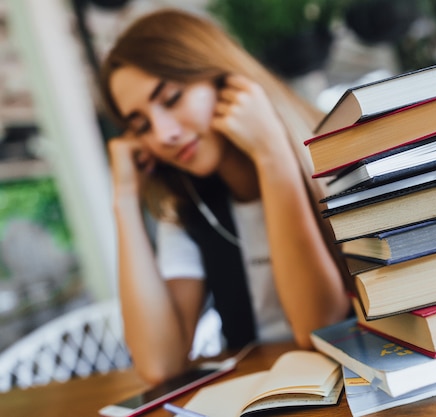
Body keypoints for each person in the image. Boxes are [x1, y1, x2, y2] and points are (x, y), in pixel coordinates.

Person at [99, 8, 351, 384]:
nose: (163, 134)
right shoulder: (189, 207)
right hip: (264, 393)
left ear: (226, 80)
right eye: (141, 125)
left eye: (170, 99)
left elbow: (320, 329)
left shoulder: (342, 165)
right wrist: (124, 198)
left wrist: (272, 155)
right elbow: (159, 364)